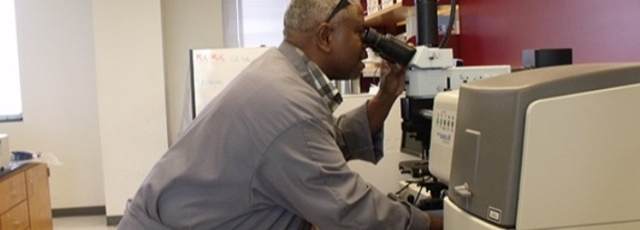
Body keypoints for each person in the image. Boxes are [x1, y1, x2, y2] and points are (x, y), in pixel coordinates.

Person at [118, 0, 442, 229]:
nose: (367, 46)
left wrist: (386, 95)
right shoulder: (288, 103)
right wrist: (438, 224)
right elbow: (349, 209)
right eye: (361, 33)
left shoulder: (281, 73)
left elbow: (326, 144)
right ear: (326, 37)